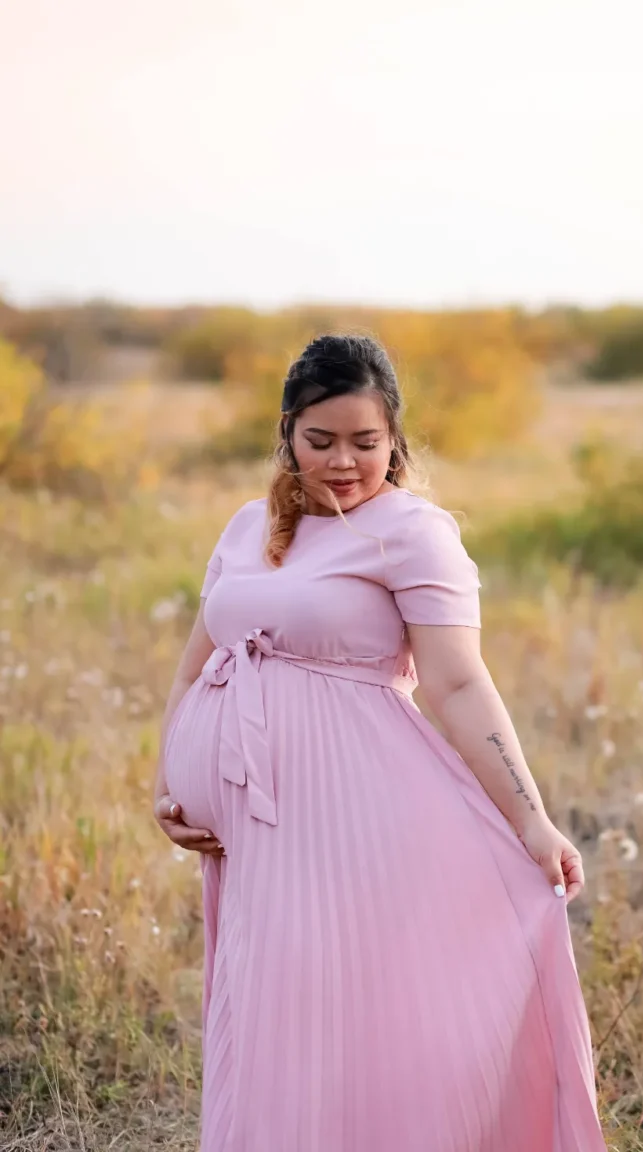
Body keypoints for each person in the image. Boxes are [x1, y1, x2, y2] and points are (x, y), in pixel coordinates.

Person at [154, 334, 607, 1151]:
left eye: (365, 442)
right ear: (287, 432)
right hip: (250, 833)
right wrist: (170, 781)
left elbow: (458, 686)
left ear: (394, 438)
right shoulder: (247, 527)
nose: (342, 463)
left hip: (358, 816)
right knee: (268, 1009)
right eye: (319, 441)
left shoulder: (412, 533)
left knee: (353, 1009)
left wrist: (533, 820)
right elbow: (197, 666)